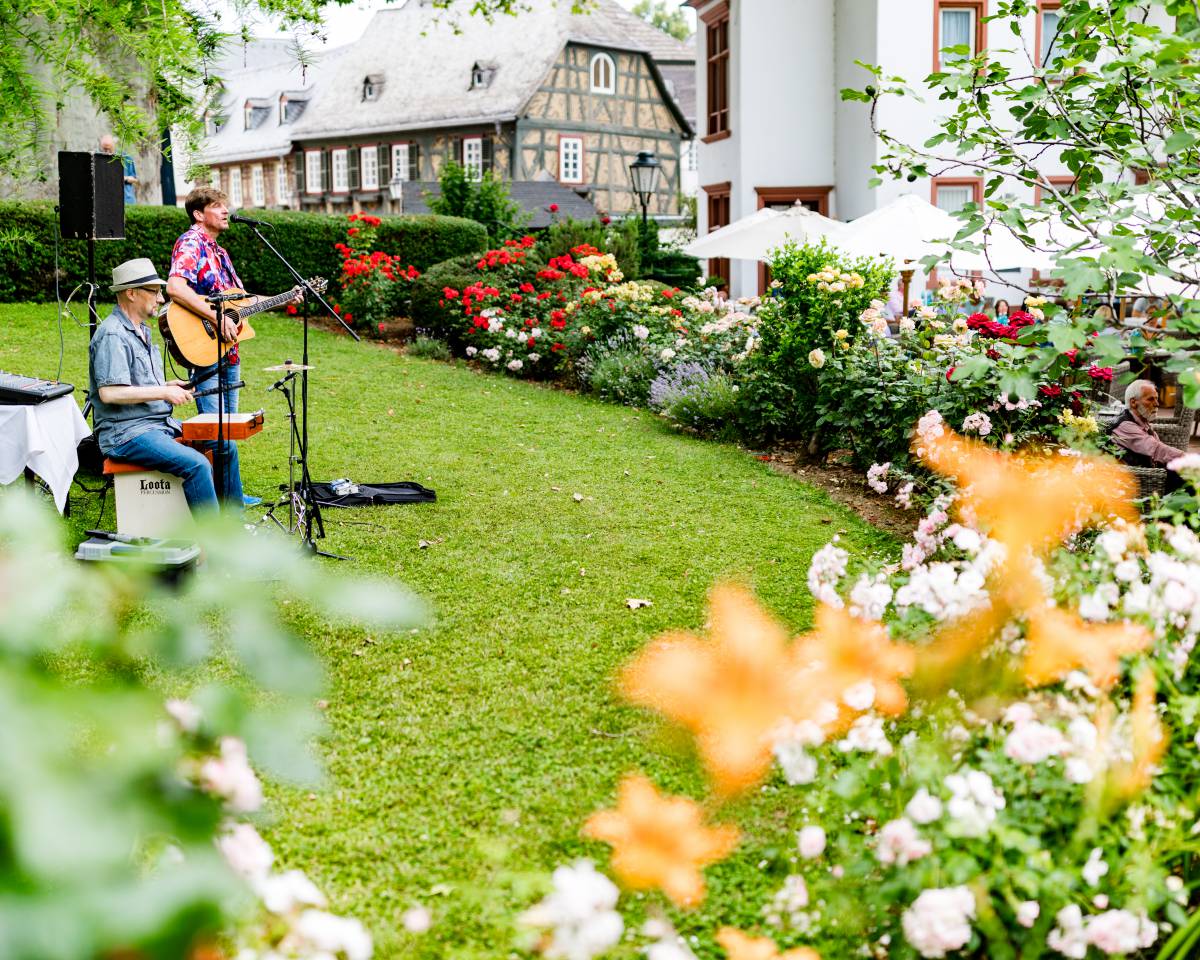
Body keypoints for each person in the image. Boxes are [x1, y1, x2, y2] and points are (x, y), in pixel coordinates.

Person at [168, 185, 290, 506]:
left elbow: (243, 301)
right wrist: (215, 316)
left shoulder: (219, 252)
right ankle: (223, 499)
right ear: (199, 213)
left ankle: (232, 496)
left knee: (228, 429)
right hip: (204, 346)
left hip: (228, 350)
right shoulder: (191, 242)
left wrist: (288, 297)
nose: (226, 211)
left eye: (226, 205)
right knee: (215, 428)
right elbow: (175, 287)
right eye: (218, 206)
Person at [90, 258, 242, 510]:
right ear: (131, 293)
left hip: (158, 424)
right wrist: (163, 392)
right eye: (155, 291)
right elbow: (109, 393)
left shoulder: (142, 330)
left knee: (224, 443)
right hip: (128, 433)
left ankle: (235, 529)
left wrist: (170, 385)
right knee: (197, 464)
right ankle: (214, 545)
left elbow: (137, 383)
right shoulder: (112, 334)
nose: (161, 299)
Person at [1110, 380, 1185, 492]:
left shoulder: (1142, 422)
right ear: (1133, 402)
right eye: (1150, 399)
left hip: (1154, 476)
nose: (1157, 404)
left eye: (1156, 398)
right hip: (1141, 483)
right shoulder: (1125, 426)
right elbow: (1156, 449)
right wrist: (1188, 458)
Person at [99, 134, 137, 206]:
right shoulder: (99, 158)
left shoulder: (126, 157)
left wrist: (121, 178)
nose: (107, 152)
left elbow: (134, 179)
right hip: (109, 200)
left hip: (126, 200)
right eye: (104, 149)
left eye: (109, 149)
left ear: (113, 145)